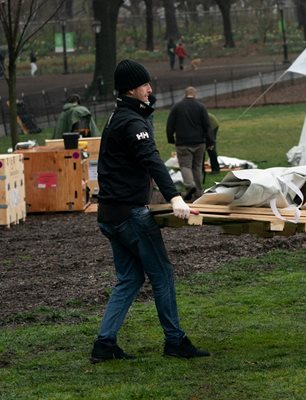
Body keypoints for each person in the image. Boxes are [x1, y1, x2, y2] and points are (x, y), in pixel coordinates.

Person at [91, 59, 210, 363]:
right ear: (132, 88)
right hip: (130, 215)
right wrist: (175, 198)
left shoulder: (119, 115)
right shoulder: (131, 122)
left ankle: (104, 344)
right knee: (162, 274)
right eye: (145, 85)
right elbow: (151, 159)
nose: (150, 89)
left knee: (129, 279)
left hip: (109, 214)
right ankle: (175, 341)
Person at [166, 86, 213, 200]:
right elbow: (207, 125)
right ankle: (198, 191)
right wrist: (210, 141)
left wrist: (171, 138)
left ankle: (189, 185)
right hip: (199, 142)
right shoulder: (201, 107)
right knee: (197, 166)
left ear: (185, 94)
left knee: (185, 166)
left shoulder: (177, 107)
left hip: (183, 142)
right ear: (195, 94)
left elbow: (170, 125)